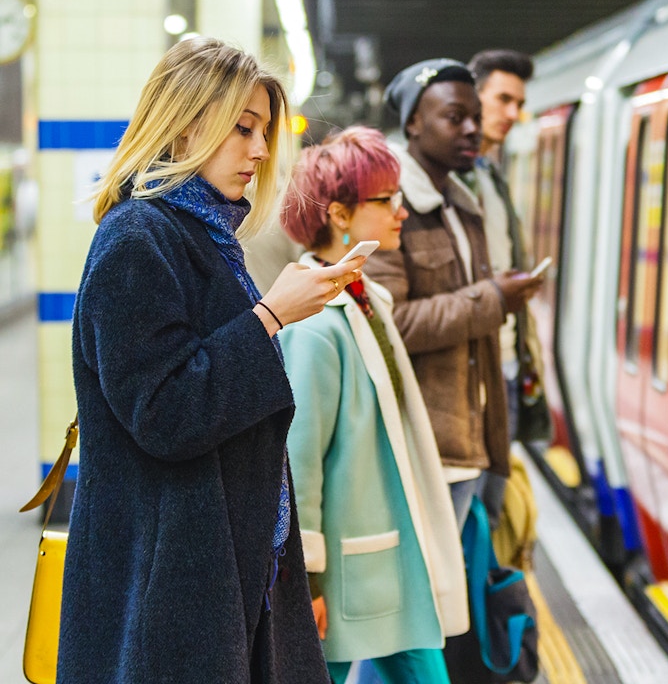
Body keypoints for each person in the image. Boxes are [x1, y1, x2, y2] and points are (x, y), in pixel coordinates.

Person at [61, 37, 361, 683]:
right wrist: (272, 315)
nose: (258, 151)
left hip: (218, 562)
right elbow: (165, 414)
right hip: (170, 578)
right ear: (187, 123)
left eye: (262, 132)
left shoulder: (199, 234)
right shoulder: (137, 240)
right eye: (242, 128)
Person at [278, 126, 468, 684]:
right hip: (346, 570)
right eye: (385, 200)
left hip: (380, 557)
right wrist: (307, 578)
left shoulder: (364, 297)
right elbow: (299, 458)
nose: (401, 211)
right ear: (338, 215)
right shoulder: (315, 328)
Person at [362, 58, 542, 527]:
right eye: (454, 117)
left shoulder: (463, 206)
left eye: (475, 118)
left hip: (474, 437)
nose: (471, 129)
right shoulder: (388, 206)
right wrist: (495, 300)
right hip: (428, 449)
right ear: (414, 123)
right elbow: (388, 324)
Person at [463, 49, 550, 527]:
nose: (513, 114)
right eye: (503, 99)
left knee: (490, 514)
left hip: (507, 365)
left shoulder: (491, 175)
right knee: (474, 518)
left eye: (519, 103)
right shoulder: (448, 181)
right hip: (475, 374)